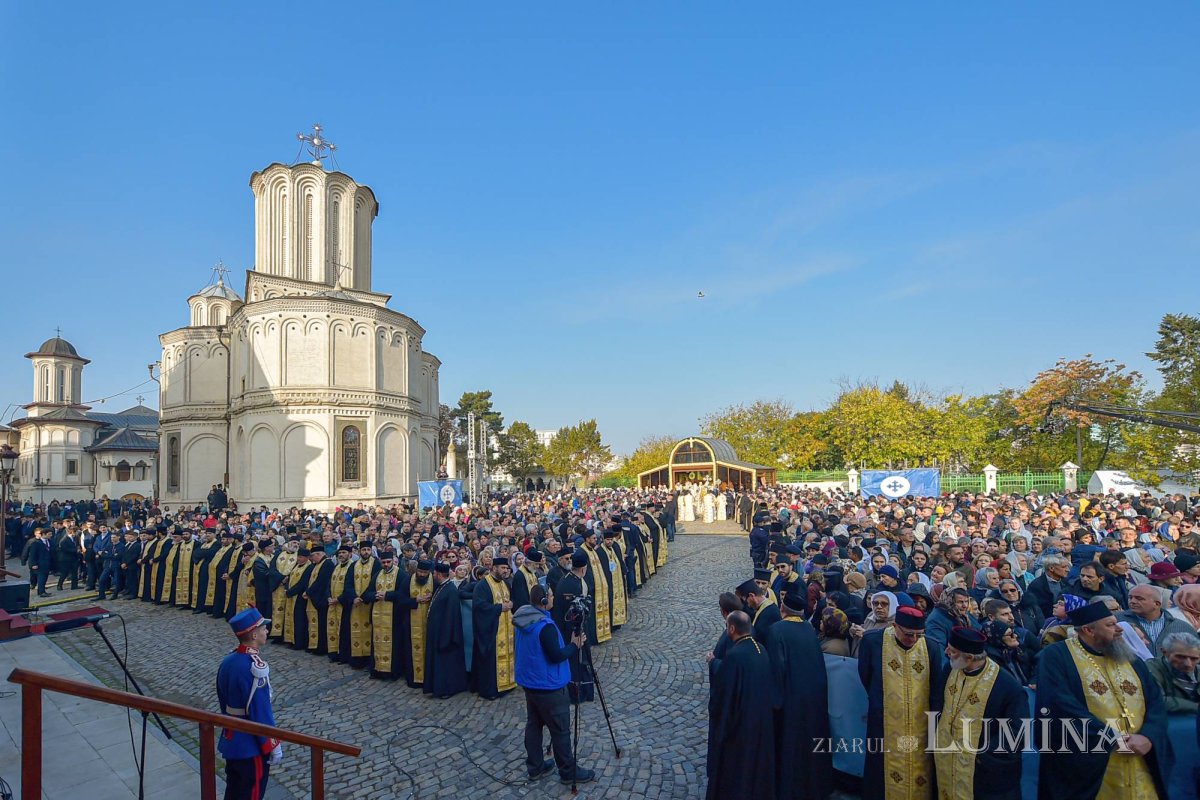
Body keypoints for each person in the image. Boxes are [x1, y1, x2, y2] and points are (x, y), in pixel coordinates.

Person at [1036, 601, 1170, 798]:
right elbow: (1058, 705)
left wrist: (1148, 735)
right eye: (1110, 625)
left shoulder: (1129, 657)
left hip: (1139, 757)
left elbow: (1155, 700)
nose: (1119, 629)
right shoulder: (1057, 656)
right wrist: (1111, 738)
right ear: (1089, 630)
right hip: (1091, 762)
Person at [857, 606, 945, 800]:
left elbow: (936, 687)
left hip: (920, 725)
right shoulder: (873, 642)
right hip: (884, 722)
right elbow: (866, 675)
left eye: (918, 635)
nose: (913, 640)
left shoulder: (930, 646)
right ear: (894, 626)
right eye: (908, 635)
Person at [513, 584, 594, 785]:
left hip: (530, 683)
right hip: (549, 685)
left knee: (534, 725)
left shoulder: (524, 617)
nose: (553, 598)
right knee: (560, 730)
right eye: (550, 595)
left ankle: (536, 766)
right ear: (543, 601)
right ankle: (568, 772)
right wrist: (575, 645)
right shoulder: (544, 626)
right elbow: (556, 655)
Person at [934, 626, 1028, 799]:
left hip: (985, 774)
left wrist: (980, 756)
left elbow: (1017, 733)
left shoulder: (1008, 687)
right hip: (948, 764)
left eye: (952, 651)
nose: (946, 652)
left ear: (969, 658)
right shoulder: (951, 669)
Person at [767, 588, 832, 800]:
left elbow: (777, 667)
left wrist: (774, 701)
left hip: (791, 697)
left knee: (790, 745)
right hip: (813, 696)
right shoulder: (808, 629)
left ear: (782, 609)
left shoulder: (776, 630)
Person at [706, 610, 775, 800]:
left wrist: (713, 663)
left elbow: (725, 691)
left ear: (732, 628)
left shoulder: (735, 655)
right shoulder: (760, 648)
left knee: (739, 768)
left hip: (742, 725)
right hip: (761, 718)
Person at [216, 608, 282, 800]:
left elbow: (222, 698)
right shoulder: (255, 667)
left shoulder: (229, 660)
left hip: (231, 739)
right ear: (254, 634)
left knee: (234, 792)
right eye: (263, 628)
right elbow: (260, 712)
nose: (266, 631)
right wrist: (272, 744)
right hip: (250, 746)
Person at [473, 558, 516, 700]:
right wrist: (499, 608)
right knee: (491, 661)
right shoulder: (483, 585)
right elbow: (479, 607)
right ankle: (491, 690)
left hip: (506, 629)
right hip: (491, 631)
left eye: (507, 568)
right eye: (502, 568)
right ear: (494, 567)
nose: (505, 570)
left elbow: (508, 602)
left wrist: (510, 604)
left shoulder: (504, 583)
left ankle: (508, 684)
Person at [424, 562, 469, 699]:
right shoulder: (442, 587)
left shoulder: (450, 590)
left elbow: (451, 615)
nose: (433, 575)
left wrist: (446, 637)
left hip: (446, 635)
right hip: (438, 633)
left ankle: (448, 689)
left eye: (434, 573)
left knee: (447, 664)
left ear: (438, 574)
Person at [368, 549, 413, 680]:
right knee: (377, 643)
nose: (386, 564)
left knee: (395, 645)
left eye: (388, 562)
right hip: (378, 617)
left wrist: (387, 595)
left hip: (395, 617)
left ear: (393, 561)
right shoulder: (377, 575)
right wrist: (375, 595)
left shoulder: (401, 575)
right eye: (383, 562)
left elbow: (404, 595)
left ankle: (393, 672)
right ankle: (377, 669)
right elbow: (367, 593)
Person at [1119, 584, 1193, 653]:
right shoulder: (1117, 621)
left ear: (1157, 604)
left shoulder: (1181, 626)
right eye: (1130, 597)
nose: (1132, 601)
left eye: (1139, 599)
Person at [1145, 630, 1200, 714]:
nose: (1188, 664)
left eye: (1194, 659)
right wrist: (1196, 706)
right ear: (1164, 652)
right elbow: (1157, 700)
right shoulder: (1152, 668)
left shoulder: (1198, 672)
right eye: (1180, 657)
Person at [736, 578, 781, 644]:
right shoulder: (765, 608)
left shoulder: (769, 613)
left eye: (746, 600)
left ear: (752, 596)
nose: (747, 604)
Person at [28, 527, 52, 597]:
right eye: (49, 534)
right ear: (44, 534)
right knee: (41, 578)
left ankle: (42, 591)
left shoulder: (49, 541)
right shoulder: (36, 543)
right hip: (39, 564)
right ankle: (41, 592)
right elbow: (32, 554)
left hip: (47, 563)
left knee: (45, 578)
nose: (51, 535)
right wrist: (33, 564)